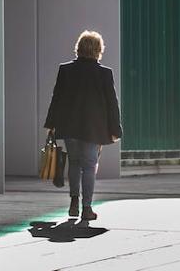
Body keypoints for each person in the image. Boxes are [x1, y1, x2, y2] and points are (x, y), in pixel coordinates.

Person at [44, 30, 123, 221]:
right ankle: (86, 208)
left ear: (79, 48)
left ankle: (73, 202)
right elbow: (112, 103)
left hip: (69, 125)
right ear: (98, 50)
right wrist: (115, 129)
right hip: (93, 128)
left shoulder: (65, 70)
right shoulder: (105, 73)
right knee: (89, 165)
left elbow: (57, 97)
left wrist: (51, 123)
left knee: (74, 163)